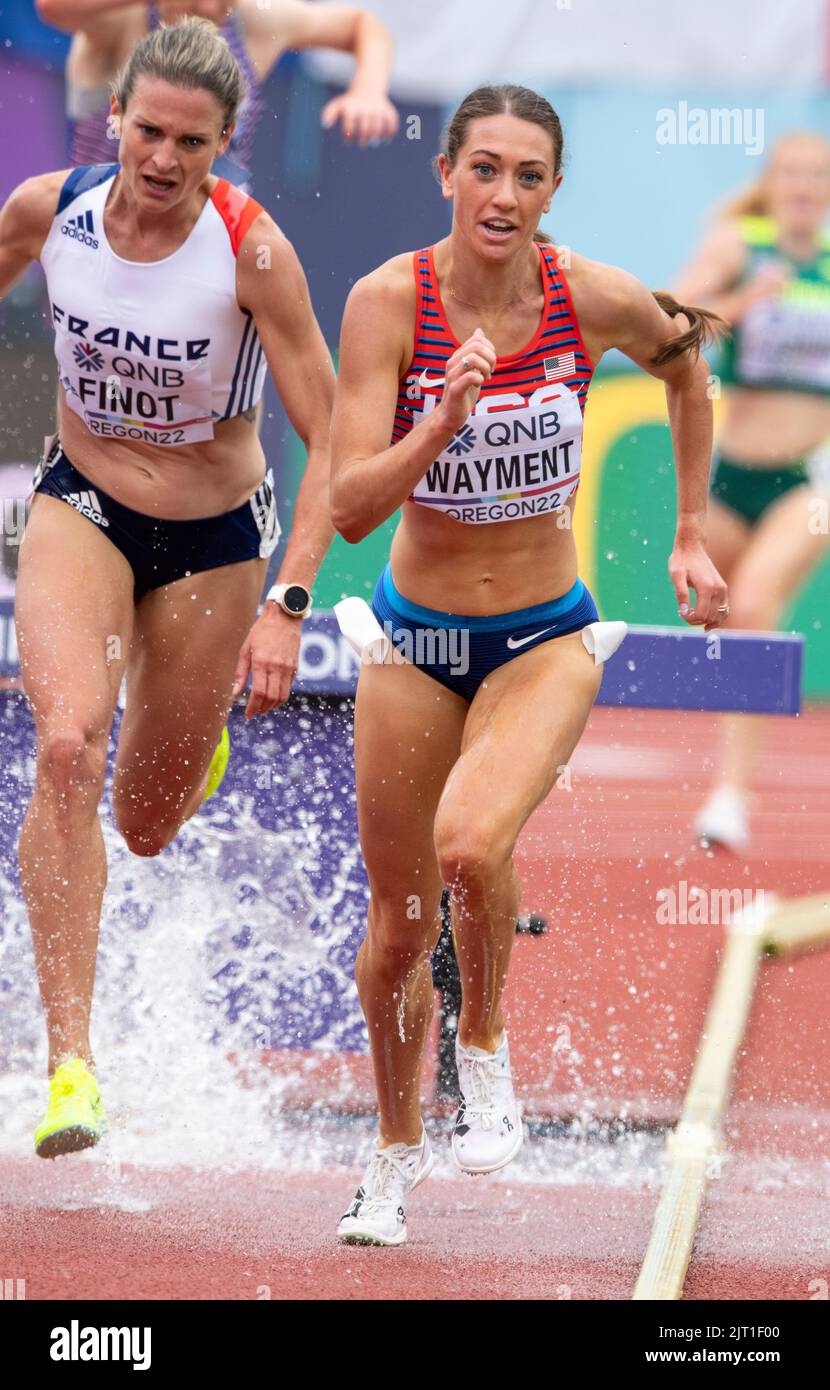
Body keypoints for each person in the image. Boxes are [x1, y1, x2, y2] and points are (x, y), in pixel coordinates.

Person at [329, 83, 729, 1246]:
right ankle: (394, 1152)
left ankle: (486, 1044)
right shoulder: (386, 303)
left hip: (545, 634)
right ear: (444, 171)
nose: (503, 194)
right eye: (484, 168)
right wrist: (436, 427)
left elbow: (684, 361)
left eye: (528, 176)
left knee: (469, 843)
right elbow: (352, 510)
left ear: (553, 191)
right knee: (397, 927)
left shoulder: (585, 295)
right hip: (413, 637)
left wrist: (689, 532)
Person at [0, 17, 334, 1157]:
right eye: (147, 132)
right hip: (81, 503)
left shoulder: (251, 253)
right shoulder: (49, 211)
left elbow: (327, 436)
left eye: (190, 144)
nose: (161, 159)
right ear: (115, 121)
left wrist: (289, 601)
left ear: (223, 145)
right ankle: (71, 1069)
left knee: (144, 823)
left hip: (213, 539)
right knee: (63, 749)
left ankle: (192, 751)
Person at [673, 132, 830, 852]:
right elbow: (670, 314)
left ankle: (730, 794)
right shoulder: (741, 242)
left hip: (811, 476)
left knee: (761, 600)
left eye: (816, 175)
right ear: (772, 184)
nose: (803, 185)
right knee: (716, 613)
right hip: (729, 476)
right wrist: (741, 300)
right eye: (790, 173)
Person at [36, 0, 399, 188]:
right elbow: (51, 7)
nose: (209, 9)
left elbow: (364, 25)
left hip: (207, 237)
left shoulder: (257, 21)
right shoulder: (122, 20)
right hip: (107, 225)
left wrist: (368, 89)